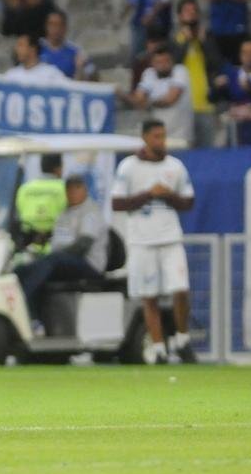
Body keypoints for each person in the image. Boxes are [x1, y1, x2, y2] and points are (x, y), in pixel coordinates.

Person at [112, 119, 197, 364]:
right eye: (157, 136)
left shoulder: (175, 166)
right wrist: (149, 194)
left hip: (170, 237)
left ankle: (182, 339)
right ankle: (158, 347)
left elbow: (188, 202)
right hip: (142, 240)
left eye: (164, 136)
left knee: (180, 289)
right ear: (145, 137)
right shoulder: (128, 167)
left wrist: (168, 195)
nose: (162, 141)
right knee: (149, 296)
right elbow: (118, 203)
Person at [13, 175, 107, 324]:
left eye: (75, 189)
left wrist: (55, 256)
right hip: (62, 261)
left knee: (51, 262)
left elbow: (82, 246)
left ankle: (25, 301)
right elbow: (57, 237)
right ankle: (30, 315)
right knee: (23, 269)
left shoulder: (91, 212)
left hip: (88, 264)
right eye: (68, 190)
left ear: (84, 190)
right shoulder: (65, 213)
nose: (71, 194)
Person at [170, 0, 224, 147]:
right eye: (187, 11)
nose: (191, 15)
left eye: (194, 11)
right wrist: (186, 41)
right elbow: (173, 64)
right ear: (179, 16)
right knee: (185, 150)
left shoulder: (207, 38)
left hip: (205, 105)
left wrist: (203, 42)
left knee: (208, 151)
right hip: (182, 108)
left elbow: (217, 63)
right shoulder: (174, 40)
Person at [129, 45, 194, 147]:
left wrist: (148, 102)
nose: (163, 65)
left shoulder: (180, 71)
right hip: (155, 137)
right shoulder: (149, 74)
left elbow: (170, 100)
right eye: (158, 62)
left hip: (179, 136)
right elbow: (138, 99)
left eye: (166, 61)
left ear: (172, 61)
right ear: (152, 63)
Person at [13, 154, 66, 254]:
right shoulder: (64, 189)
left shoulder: (25, 189)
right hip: (56, 250)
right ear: (58, 168)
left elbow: (17, 217)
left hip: (28, 249)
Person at [213, 39, 251, 145]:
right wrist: (217, 87)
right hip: (236, 127)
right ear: (240, 55)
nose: (249, 56)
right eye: (245, 52)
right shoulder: (232, 75)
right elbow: (212, 97)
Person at [40, 9, 93, 80]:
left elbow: (93, 75)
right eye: (52, 24)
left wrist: (80, 68)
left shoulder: (76, 51)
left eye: (59, 25)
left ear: (65, 27)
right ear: (46, 26)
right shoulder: (37, 49)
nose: (56, 29)